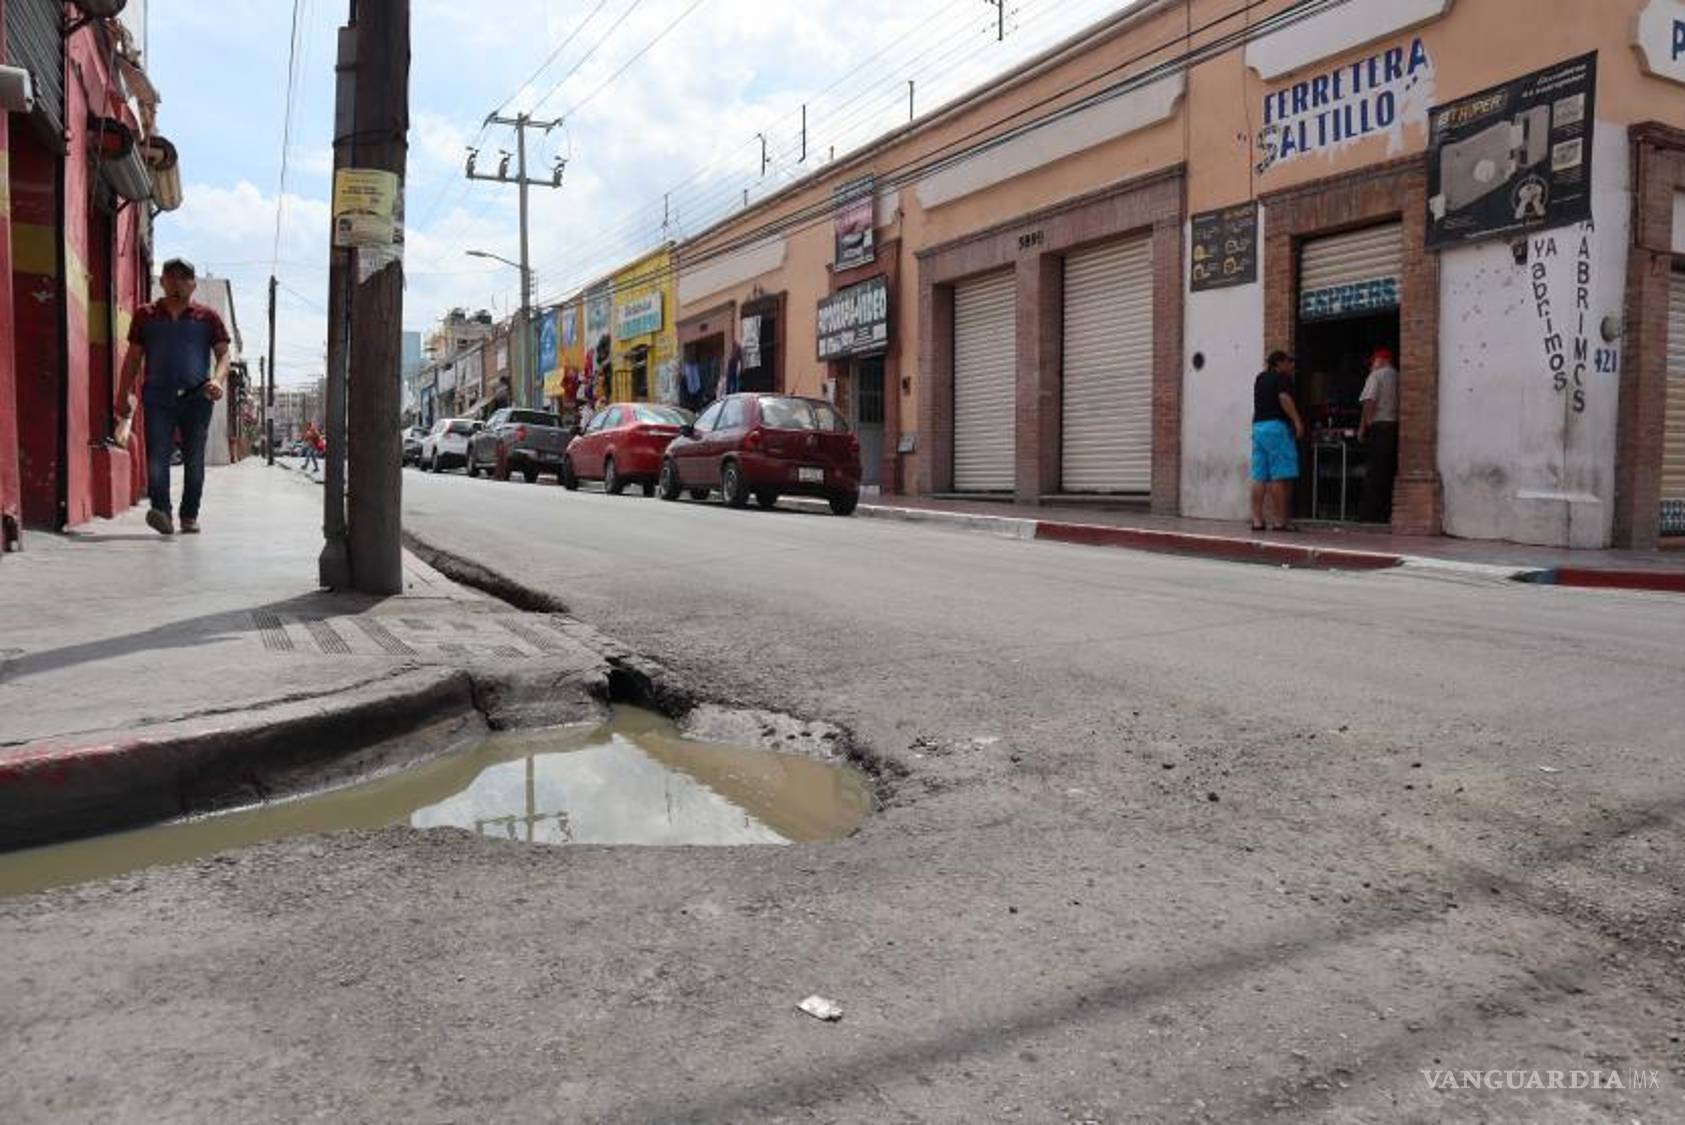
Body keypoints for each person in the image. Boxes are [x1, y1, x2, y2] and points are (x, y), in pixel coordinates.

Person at [115, 258, 231, 536]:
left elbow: (223, 353)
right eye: (171, 277)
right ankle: (162, 512)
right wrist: (122, 394)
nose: (177, 283)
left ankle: (189, 515)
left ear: (193, 284)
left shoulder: (208, 317)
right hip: (157, 396)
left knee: (193, 459)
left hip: (197, 397)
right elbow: (133, 358)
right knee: (157, 457)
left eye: (184, 278)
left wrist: (217, 379)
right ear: (162, 281)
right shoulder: (146, 315)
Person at [1250, 350, 1305, 532]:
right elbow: (1283, 398)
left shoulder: (1260, 378)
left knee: (1259, 476)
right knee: (1280, 477)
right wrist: (1297, 421)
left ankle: (1257, 520)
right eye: (1289, 362)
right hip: (1276, 429)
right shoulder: (1282, 378)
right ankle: (1280, 521)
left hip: (1258, 427)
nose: (1292, 366)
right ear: (1279, 364)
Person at [1358, 346, 1399, 524]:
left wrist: (1366, 424)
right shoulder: (1398, 375)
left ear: (1381, 360)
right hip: (1394, 427)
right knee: (1388, 471)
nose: (1370, 367)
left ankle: (1370, 516)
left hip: (1380, 426)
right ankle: (1386, 513)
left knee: (1374, 473)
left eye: (1372, 362)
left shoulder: (1377, 375)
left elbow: (1368, 400)